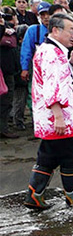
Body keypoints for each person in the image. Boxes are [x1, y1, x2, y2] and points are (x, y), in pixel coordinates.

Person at [24, 13, 73, 209]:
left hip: (50, 115)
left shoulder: (51, 50)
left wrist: (70, 62)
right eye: (70, 30)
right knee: (71, 154)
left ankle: (34, 195)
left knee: (48, 155)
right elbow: (53, 86)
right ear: (56, 30)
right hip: (58, 116)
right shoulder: (51, 53)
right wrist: (58, 116)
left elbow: (58, 80)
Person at [0, 7, 20, 138]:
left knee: (7, 100)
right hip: (2, 68)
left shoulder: (8, 26)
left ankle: (3, 127)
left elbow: (15, 42)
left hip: (8, 69)